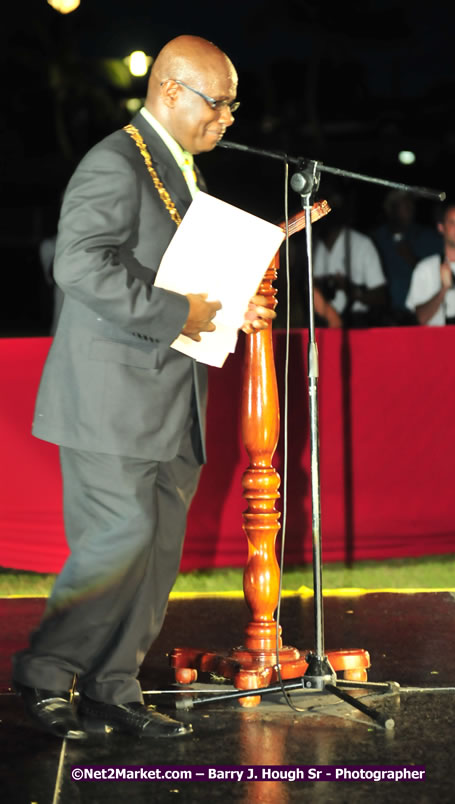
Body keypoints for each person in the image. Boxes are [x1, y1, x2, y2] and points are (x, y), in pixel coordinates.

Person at [12, 35, 274, 741]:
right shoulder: (114, 161)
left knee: (156, 554)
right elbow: (78, 265)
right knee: (118, 540)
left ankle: (114, 686)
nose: (226, 119)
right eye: (218, 104)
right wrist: (178, 312)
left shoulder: (181, 170)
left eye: (232, 106)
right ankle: (46, 672)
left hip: (170, 401)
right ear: (171, 90)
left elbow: (181, 270)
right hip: (111, 402)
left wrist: (233, 302)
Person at [312, 192, 388, 328]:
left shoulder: (362, 243)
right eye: (319, 205)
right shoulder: (311, 245)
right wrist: (321, 283)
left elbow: (381, 296)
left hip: (355, 323)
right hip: (319, 324)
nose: (323, 211)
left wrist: (350, 289)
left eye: (329, 205)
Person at [371, 190, 442, 322]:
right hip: (385, 315)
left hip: (420, 313)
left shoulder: (427, 237)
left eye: (411, 203)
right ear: (390, 208)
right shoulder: (376, 239)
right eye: (403, 203)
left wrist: (413, 260)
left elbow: (440, 274)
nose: (410, 207)